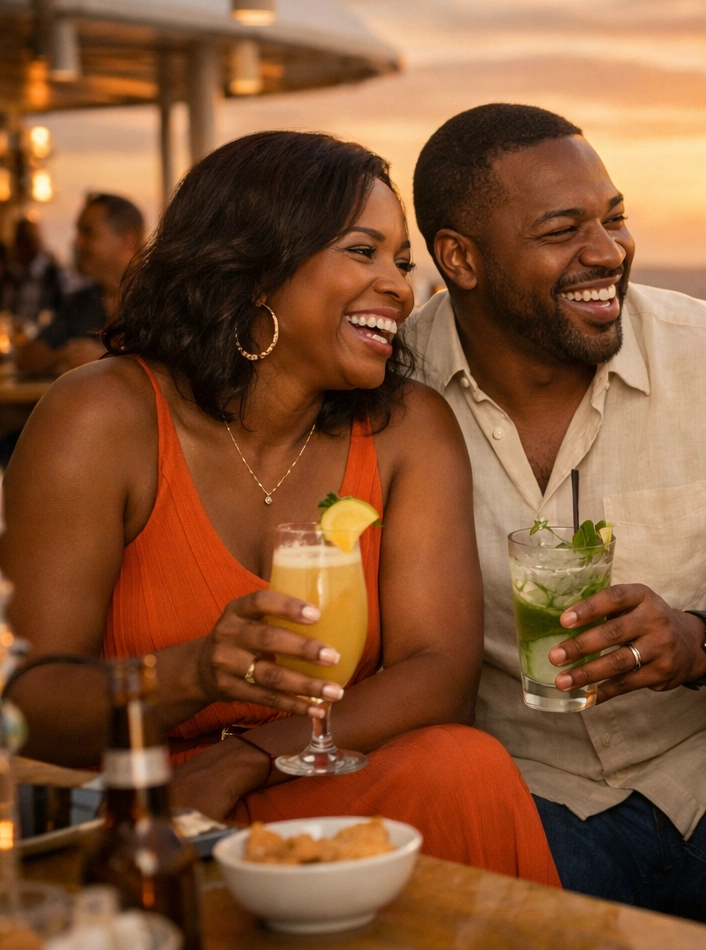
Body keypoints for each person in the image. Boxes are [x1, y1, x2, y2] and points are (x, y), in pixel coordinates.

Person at [0, 131, 559, 884]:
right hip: (143, 803)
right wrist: (194, 672)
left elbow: (440, 671)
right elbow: (28, 703)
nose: (398, 285)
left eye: (401, 261)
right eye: (363, 252)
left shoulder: (406, 427)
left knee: (462, 764)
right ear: (257, 266)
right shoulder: (103, 417)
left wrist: (252, 755)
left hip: (308, 775)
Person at [403, 103, 706, 921]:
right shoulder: (395, 389)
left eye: (615, 218)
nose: (608, 252)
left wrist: (701, 642)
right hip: (524, 794)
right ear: (461, 258)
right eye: (563, 230)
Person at [17, 193, 144, 375]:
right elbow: (26, 358)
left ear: (127, 240)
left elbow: (179, 367)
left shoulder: (163, 298)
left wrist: (105, 358)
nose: (76, 244)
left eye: (88, 233)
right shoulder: (83, 302)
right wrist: (63, 355)